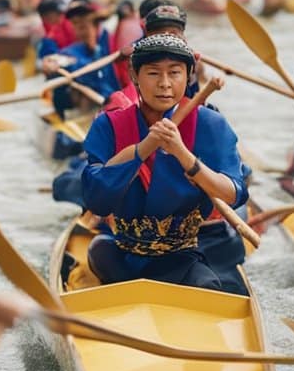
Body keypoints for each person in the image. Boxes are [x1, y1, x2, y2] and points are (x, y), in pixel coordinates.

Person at [75, 35, 248, 290]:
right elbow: (96, 200)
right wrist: (144, 147)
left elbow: (234, 194)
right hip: (120, 256)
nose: (165, 84)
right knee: (99, 249)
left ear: (189, 75)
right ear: (134, 75)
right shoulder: (109, 124)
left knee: (208, 286)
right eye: (153, 73)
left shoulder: (210, 123)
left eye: (175, 73)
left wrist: (185, 157)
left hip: (182, 259)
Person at [43, 0, 120, 116]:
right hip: (95, 105)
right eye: (75, 22)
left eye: (84, 18)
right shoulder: (72, 50)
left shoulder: (111, 40)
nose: (80, 25)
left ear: (94, 20)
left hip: (117, 102)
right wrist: (51, 62)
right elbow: (60, 59)